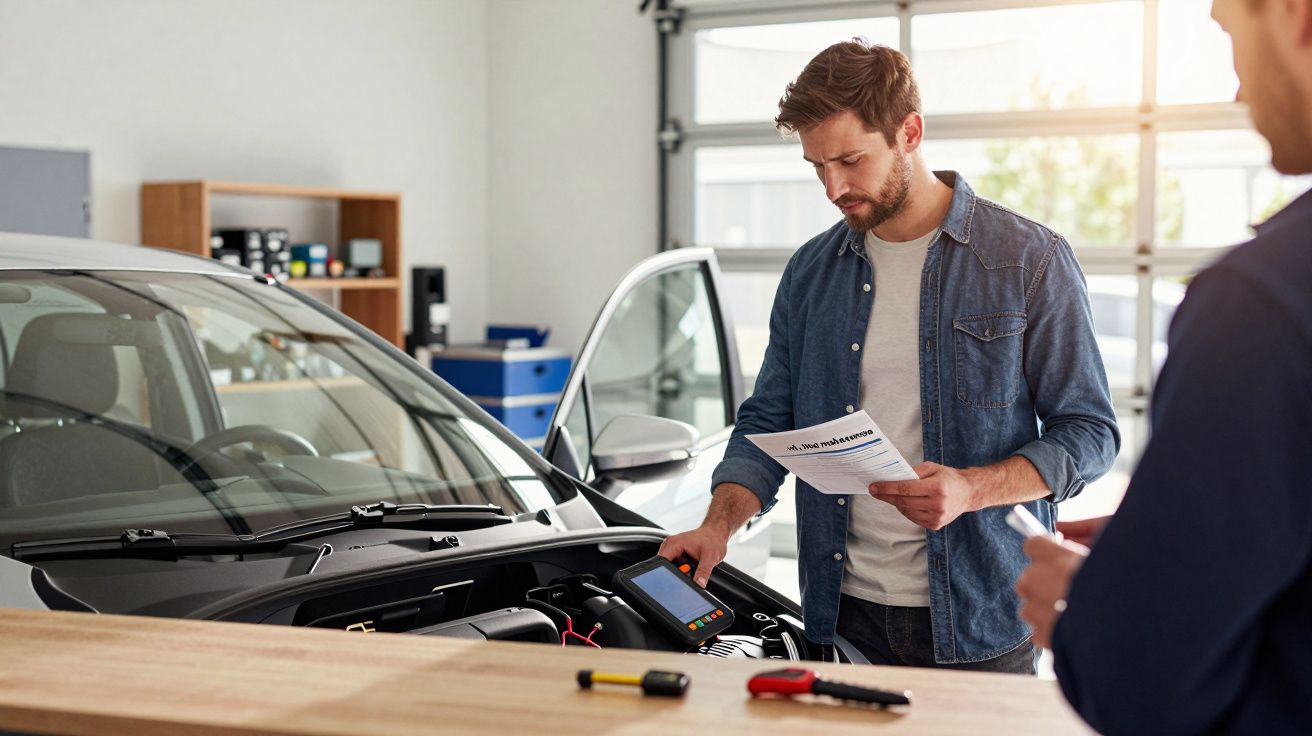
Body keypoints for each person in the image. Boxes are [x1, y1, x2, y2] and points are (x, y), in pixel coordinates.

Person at [658, 39, 1119, 673]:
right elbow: (767, 421)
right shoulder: (810, 273)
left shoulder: (1028, 260)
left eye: (849, 160)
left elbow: (1091, 434)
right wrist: (718, 527)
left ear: (910, 131)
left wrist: (971, 489)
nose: (833, 187)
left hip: (981, 619)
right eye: (817, 167)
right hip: (840, 619)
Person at [1014, 0, 1312, 728]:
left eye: (1230, 35)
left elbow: (1149, 679)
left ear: (1295, 16)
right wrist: (1173, 533)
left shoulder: (1265, 302)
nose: (1239, 91)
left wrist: (1094, 612)